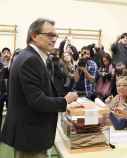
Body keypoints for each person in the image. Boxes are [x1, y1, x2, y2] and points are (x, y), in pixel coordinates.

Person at [0, 18, 78, 158]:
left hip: (30, 134)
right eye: (50, 35)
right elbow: (37, 100)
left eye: (55, 36)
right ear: (34, 36)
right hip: (30, 137)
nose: (54, 39)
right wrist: (65, 101)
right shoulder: (31, 59)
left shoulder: (32, 57)